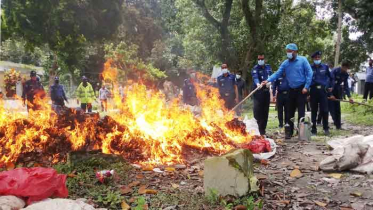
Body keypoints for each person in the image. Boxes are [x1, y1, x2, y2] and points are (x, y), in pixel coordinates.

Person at [262, 43, 313, 138]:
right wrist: (268, 80)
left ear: (295, 51)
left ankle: (301, 134)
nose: (288, 53)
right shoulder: (285, 63)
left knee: (301, 111)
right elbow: (277, 73)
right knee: (289, 111)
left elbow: (310, 73)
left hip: (301, 90)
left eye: (290, 51)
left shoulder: (303, 60)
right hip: (291, 89)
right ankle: (289, 133)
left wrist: (306, 87)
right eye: (287, 51)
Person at [309, 51, 333, 135]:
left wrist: (330, 86)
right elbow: (306, 78)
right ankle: (313, 129)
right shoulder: (309, 67)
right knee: (314, 111)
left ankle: (326, 128)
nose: (317, 59)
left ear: (320, 58)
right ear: (313, 59)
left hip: (323, 91)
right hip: (313, 91)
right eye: (315, 58)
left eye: (318, 57)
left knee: (325, 110)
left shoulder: (325, 67)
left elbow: (331, 77)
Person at [329, 61, 354, 129]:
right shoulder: (334, 71)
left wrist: (349, 97)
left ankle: (338, 125)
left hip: (337, 90)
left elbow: (346, 86)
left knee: (337, 109)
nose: (346, 70)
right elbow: (331, 82)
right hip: (329, 90)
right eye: (345, 68)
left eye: (347, 69)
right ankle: (321, 122)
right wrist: (330, 94)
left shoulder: (345, 74)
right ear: (342, 66)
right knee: (331, 109)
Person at [252, 55, 272, 135]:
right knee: (257, 111)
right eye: (259, 59)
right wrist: (257, 84)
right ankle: (257, 130)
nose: (260, 60)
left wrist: (270, 82)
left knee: (265, 111)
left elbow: (271, 75)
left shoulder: (268, 67)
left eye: (262, 59)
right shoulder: (255, 68)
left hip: (266, 92)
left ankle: (263, 130)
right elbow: (255, 76)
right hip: (258, 92)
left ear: (264, 59)